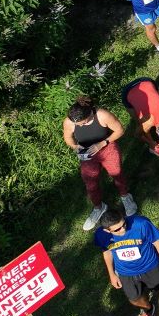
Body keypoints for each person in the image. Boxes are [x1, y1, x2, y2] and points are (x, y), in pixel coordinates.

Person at [94, 206, 159, 316]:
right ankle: (148, 309)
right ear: (107, 231)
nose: (123, 229)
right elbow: (107, 253)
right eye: (117, 229)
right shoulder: (101, 235)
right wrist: (112, 274)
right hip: (126, 272)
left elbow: (158, 243)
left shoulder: (141, 224)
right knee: (134, 299)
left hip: (149, 265)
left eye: (124, 224)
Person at [64, 96, 134, 230]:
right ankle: (99, 207)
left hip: (107, 148)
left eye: (82, 123)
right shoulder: (70, 121)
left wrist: (102, 144)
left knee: (116, 174)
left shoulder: (102, 115)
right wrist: (76, 147)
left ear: (89, 113)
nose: (78, 126)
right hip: (87, 153)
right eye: (76, 125)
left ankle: (125, 196)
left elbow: (120, 130)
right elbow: (68, 137)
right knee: (90, 183)